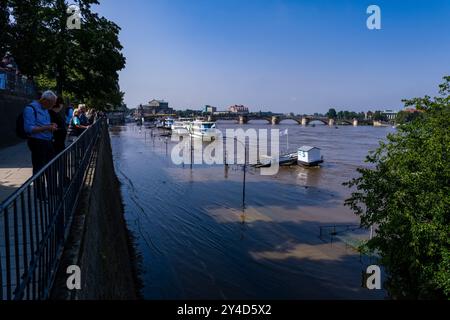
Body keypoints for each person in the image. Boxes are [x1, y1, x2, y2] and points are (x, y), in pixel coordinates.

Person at [24, 90, 58, 175]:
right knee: (39, 169)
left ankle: (51, 187)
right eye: (52, 103)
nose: (53, 105)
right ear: (45, 100)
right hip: (37, 142)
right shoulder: (30, 109)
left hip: (48, 141)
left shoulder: (46, 109)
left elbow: (43, 124)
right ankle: (39, 188)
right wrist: (47, 127)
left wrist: (51, 125)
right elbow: (28, 129)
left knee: (51, 168)